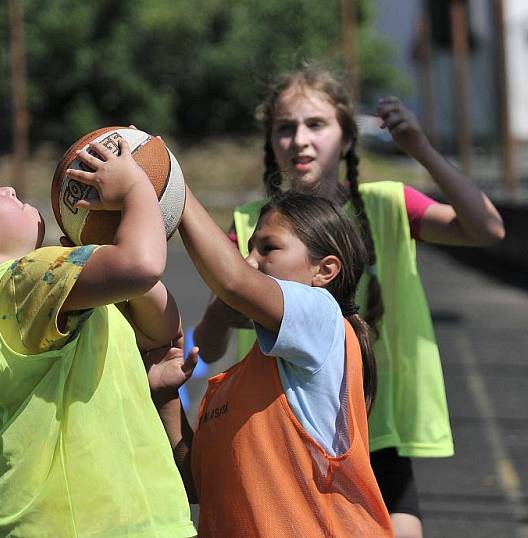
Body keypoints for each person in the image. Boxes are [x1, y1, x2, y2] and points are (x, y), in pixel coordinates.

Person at [193, 67, 505, 537]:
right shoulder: (250, 231)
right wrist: (225, 305)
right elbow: (209, 344)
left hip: (377, 426)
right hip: (285, 435)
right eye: (285, 127)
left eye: (316, 124)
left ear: (346, 136)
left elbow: (486, 228)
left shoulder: (387, 203)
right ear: (270, 141)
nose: (300, 139)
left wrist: (419, 148)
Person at [0, 139, 196, 537]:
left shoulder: (36, 292)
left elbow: (161, 327)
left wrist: (106, 243)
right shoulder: (19, 280)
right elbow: (143, 265)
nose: (8, 189)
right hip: (76, 522)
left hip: (128, 518)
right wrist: (135, 189)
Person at [146, 189, 393, 536]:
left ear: (324, 271)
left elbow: (233, 281)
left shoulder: (324, 319)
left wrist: (174, 189)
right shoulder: (230, 388)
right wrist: (166, 396)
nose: (249, 261)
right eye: (248, 249)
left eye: (268, 248)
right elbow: (198, 486)